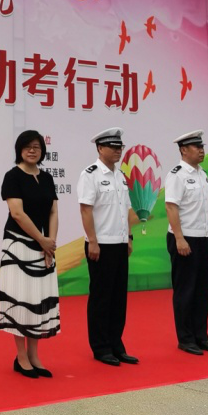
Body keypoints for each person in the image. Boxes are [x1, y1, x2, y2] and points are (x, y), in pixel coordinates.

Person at [0, 129, 60, 378]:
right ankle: (21, 356)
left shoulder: (47, 178)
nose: (32, 150)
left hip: (43, 245)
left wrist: (50, 242)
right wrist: (42, 240)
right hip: (18, 245)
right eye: (27, 146)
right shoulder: (12, 176)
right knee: (20, 300)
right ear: (19, 150)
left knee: (38, 299)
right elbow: (17, 214)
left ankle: (34, 355)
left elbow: (53, 212)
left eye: (37, 146)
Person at [77, 126, 135, 366]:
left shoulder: (120, 175)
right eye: (112, 146)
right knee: (101, 298)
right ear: (100, 148)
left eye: (120, 146)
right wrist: (92, 240)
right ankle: (101, 347)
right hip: (100, 244)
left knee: (119, 298)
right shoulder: (90, 174)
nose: (117, 150)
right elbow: (85, 210)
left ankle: (116, 344)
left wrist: (129, 237)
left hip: (120, 243)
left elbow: (126, 209)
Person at [163, 130, 208, 356]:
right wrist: (179, 238)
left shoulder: (203, 174)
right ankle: (186, 339)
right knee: (185, 291)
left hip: (203, 238)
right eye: (197, 147)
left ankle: (201, 336)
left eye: (202, 147)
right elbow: (171, 207)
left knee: (202, 291)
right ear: (184, 150)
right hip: (184, 238)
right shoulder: (176, 175)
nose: (202, 151)